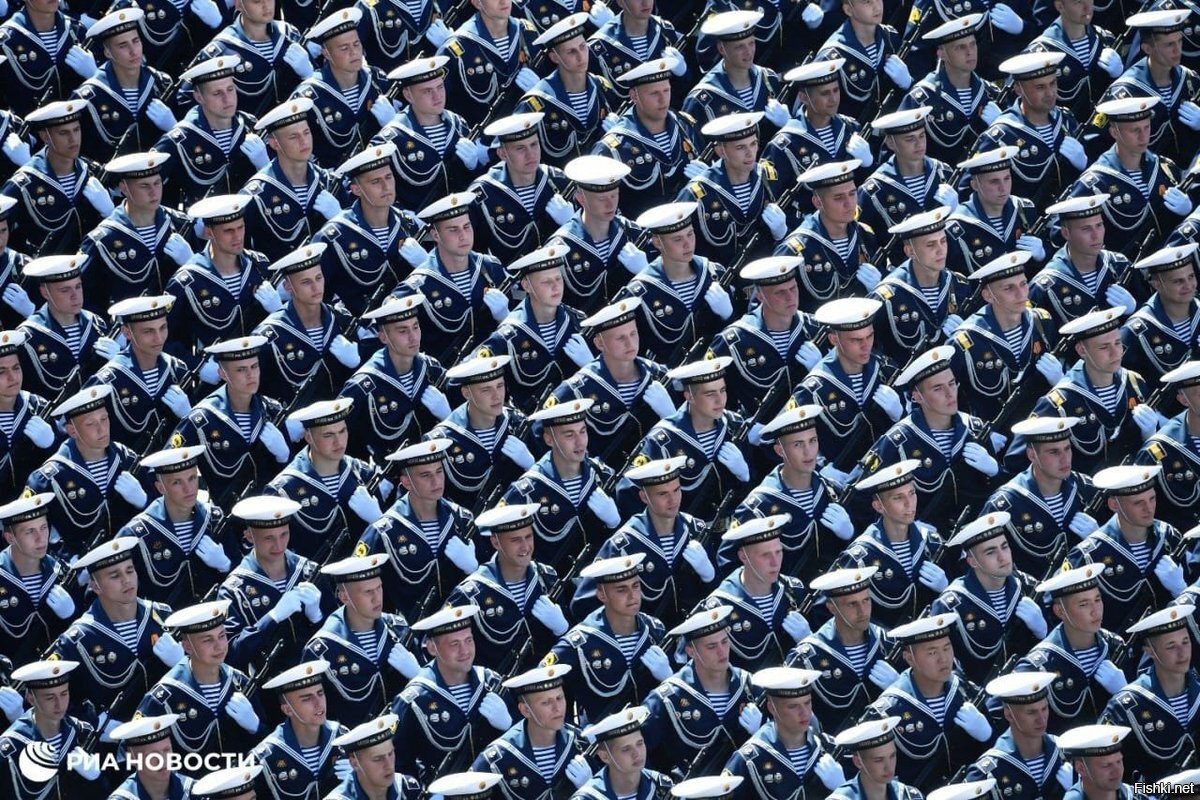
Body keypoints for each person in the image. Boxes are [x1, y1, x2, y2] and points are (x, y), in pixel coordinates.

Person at [856, 346, 1000, 530]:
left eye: (952, 383)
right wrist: (907, 527)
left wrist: (996, 472)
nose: (950, 394)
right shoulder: (898, 441)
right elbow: (863, 497)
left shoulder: (975, 429)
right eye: (938, 389)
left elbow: (997, 494)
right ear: (917, 396)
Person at [49, 536, 178, 740]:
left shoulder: (162, 616)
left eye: (130, 570)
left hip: (168, 736)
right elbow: (52, 700)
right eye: (115, 575)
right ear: (95, 586)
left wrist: (184, 662)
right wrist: (93, 723)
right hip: (113, 746)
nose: (127, 580)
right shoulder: (77, 640)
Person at [858, 613, 992, 790]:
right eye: (932, 652)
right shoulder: (888, 712)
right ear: (909, 658)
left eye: (946, 648)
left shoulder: (964, 691)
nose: (943, 659)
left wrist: (989, 736)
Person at [572, 458, 713, 622]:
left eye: (676, 490)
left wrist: (710, 577)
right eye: (662, 494)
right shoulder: (623, 546)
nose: (673, 500)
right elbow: (583, 605)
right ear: (644, 497)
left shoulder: (696, 531)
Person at [1018, 308, 1155, 475]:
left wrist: (1150, 435)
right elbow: (1021, 461)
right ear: (1082, 350)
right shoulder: (1059, 402)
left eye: (1118, 343)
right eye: (1104, 347)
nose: (1115, 353)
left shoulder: (1134, 384)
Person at [26, 384, 151, 562]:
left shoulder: (126, 459)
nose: (102, 429)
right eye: (91, 424)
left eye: (104, 419)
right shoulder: (50, 477)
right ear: (72, 430)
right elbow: (25, 531)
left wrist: (144, 501)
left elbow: (163, 507)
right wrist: (62, 562)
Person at [136, 600, 265, 772]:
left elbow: (266, 750)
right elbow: (140, 756)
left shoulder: (240, 683)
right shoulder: (165, 697)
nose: (219, 646)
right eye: (207, 640)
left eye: (222, 636)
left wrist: (256, 728)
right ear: (187, 646)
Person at [356, 437, 477, 617]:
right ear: (406, 482)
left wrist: (473, 568)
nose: (436, 481)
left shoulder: (461, 519)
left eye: (439, 471)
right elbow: (358, 584)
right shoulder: (384, 531)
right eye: (425, 475)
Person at [446, 502, 568, 673]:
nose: (525, 547)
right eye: (515, 540)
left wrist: (563, 629)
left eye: (528, 537)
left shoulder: (547, 579)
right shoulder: (471, 594)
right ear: (496, 542)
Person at [391, 604, 509, 780]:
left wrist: (509, 725)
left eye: (468, 640)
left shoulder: (491, 683)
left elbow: (524, 742)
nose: (465, 651)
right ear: (432, 648)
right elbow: (399, 764)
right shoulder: (415, 699)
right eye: (454, 644)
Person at [169, 335, 290, 507]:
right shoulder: (203, 419)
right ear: (222, 373)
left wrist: (284, 456)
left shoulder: (272, 411)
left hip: (270, 512)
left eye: (254, 366)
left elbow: (290, 475)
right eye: (241, 370)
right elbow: (167, 466)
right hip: (227, 514)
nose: (251, 375)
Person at [548, 553, 670, 723]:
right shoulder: (580, 643)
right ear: (602, 594)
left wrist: (669, 679)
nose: (632, 595)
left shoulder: (655, 631)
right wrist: (571, 731)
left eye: (635, 586)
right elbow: (543, 689)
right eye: (621, 590)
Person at [640, 606, 762, 776]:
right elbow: (634, 749)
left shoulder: (750, 685)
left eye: (724, 641)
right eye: (711, 646)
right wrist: (663, 783)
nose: (722, 652)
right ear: (691, 651)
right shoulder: (668, 697)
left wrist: (762, 731)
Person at [303, 554, 420, 727]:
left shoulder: (398, 629)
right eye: (368, 592)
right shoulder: (323, 649)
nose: (377, 598)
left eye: (379, 588)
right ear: (344, 597)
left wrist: (418, 676)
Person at [622, 356, 749, 516]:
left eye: (722, 390)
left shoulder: (734, 425)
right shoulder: (662, 440)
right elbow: (630, 492)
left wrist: (745, 476)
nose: (720, 400)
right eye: (710, 394)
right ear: (689, 396)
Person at [1063, 465, 1185, 631]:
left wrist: (1181, 589)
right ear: (1114, 504)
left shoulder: (1169, 537)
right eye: (1138, 503)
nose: (1149, 509)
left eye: (1152, 499)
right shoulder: (1087, 555)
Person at [930, 512, 1047, 683]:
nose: (1002, 557)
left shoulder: (1027, 587)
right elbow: (943, 664)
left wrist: (1042, 632)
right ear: (972, 561)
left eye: (1005, 547)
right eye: (991, 552)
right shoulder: (951, 605)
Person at [1068, 96, 1192, 258]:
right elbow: (1068, 234)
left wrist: (1188, 209)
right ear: (1114, 132)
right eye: (1135, 130)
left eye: (1146, 127)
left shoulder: (1165, 168)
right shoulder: (1095, 183)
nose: (1143, 136)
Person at [313, 142, 426, 318]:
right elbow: (316, 294)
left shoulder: (406, 224)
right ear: (356, 189)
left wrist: (425, 265)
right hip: (360, 326)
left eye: (388, 177)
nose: (386, 186)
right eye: (375, 181)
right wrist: (344, 322)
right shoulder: (335, 236)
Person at [502, 398, 619, 566]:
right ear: (549, 439)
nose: (580, 442)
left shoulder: (602, 475)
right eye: (569, 435)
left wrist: (615, 523)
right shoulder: (527, 491)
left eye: (583, 431)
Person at [1013, 565, 1129, 735]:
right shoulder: (1038, 666)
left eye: (1098, 600)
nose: (1095, 610)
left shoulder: (1115, 646)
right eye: (1083, 604)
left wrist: (1125, 692)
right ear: (1060, 611)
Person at [266, 398, 386, 559]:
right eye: (328, 435)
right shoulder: (284, 489)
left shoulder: (362, 473)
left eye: (342, 431)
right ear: (308, 437)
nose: (338, 442)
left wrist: (378, 520)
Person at [547, 297, 673, 450]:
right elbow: (543, 435)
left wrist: (671, 418)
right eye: (620, 338)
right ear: (599, 343)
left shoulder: (659, 376)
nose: (630, 343)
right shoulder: (576, 390)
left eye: (633, 334)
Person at [615, 201, 732, 363]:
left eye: (690, 234)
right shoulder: (640, 292)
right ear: (657, 242)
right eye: (677, 239)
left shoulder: (715, 274)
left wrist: (729, 315)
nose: (687, 244)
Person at [476, 245, 589, 414]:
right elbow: (475, 381)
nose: (556, 287)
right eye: (546, 282)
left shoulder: (578, 323)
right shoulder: (508, 336)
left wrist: (590, 365)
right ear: (526, 286)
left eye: (558, 279)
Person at [216, 495, 325, 671]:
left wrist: (317, 618)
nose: (279, 545)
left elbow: (338, 635)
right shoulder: (234, 589)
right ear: (249, 536)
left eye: (284, 534)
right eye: (269, 538)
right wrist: (272, 618)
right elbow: (231, 654)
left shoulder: (309, 572)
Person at [396, 192, 508, 363]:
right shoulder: (418, 285)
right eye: (453, 230)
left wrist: (504, 316)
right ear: (435, 235)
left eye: (467, 226)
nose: (463, 235)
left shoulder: (490, 267)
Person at [950, 251, 1061, 422]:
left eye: (1023, 284)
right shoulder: (966, 342)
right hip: (994, 431)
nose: (1021, 294)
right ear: (988, 295)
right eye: (1009, 288)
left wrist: (1060, 381)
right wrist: (975, 428)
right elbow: (949, 400)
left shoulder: (1041, 322)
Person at [981, 416, 1097, 578]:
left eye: (1067, 448)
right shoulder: (1005, 504)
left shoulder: (1085, 488)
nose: (1064, 459)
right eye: (1054, 452)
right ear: (1032, 455)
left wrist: (1098, 538)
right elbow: (985, 564)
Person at [835, 460, 947, 627]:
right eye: (898, 498)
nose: (909, 503)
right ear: (878, 506)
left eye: (912, 493)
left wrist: (946, 589)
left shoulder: (931, 543)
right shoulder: (861, 556)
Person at [761, 59, 873, 226]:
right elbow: (773, 199)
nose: (833, 98)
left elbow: (861, 186)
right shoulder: (785, 144)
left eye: (836, 90)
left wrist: (869, 164)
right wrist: (787, 228)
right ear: (804, 97)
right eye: (825, 93)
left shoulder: (850, 128)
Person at [78, 152, 194, 312]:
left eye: (157, 183)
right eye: (144, 186)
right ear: (124, 188)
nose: (154, 192)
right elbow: (84, 295)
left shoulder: (180, 225)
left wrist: (192, 264)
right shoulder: (103, 239)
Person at [165, 195, 275, 364]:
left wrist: (278, 310)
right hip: (218, 371)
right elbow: (166, 340)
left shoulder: (259, 266)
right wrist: (198, 366)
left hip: (260, 368)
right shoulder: (188, 281)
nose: (237, 236)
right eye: (228, 231)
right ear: (209, 232)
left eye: (240, 227)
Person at [794, 298, 901, 471]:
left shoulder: (885, 369)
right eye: (856, 340)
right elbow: (790, 440)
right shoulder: (813, 389)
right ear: (833, 339)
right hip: (842, 477)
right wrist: (819, 469)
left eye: (870, 336)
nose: (866, 346)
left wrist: (900, 414)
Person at [339, 297, 447, 466]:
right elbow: (337, 435)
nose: (413, 337)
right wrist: (365, 472)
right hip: (389, 474)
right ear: (383, 337)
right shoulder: (364, 385)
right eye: (402, 331)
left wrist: (448, 416)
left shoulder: (430, 369)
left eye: (415, 327)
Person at [786, 566, 897, 728]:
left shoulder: (888, 643)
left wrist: (898, 688)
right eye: (852, 604)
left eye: (866, 600)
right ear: (831, 607)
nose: (862, 611)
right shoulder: (807, 657)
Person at [119, 445, 231, 606]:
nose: (188, 489)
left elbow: (238, 576)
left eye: (192, 478)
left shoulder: (214, 519)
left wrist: (225, 565)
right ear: (160, 487)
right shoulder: (138, 533)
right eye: (177, 482)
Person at [592, 54, 700, 218]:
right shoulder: (614, 147)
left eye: (666, 90)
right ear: (634, 96)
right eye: (654, 93)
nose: (663, 99)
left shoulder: (686, 126)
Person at [1100, 604, 1199, 783]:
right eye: (1171, 646)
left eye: (1185, 642)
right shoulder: (1126, 707)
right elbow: (1109, 776)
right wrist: (1150, 792)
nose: (1182, 653)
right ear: (1150, 651)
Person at [372, 56, 482, 215]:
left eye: (440, 87)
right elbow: (375, 188)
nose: (437, 96)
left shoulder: (458, 124)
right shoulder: (392, 138)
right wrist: (402, 215)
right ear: (408, 95)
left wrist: (475, 166)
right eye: (427, 91)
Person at [1, 100, 113, 256]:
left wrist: (110, 213)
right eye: (63, 133)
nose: (73, 139)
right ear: (45, 136)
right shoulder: (23, 184)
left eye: (76, 130)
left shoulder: (92, 174)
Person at [699, 514, 811, 670]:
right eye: (765, 555)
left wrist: (808, 640)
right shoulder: (718, 608)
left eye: (778, 552)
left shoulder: (793, 591)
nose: (775, 563)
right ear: (743, 556)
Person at [154, 56, 267, 209]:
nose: (227, 99)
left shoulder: (251, 126)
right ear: (199, 97)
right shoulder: (180, 139)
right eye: (217, 93)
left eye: (230, 89)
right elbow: (149, 186)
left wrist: (265, 167)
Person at [239, 98, 344, 263]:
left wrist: (340, 218)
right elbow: (239, 251)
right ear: (274, 144)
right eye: (294, 137)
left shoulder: (329, 183)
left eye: (306, 133)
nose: (304, 141)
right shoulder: (256, 195)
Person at [973, 52, 1086, 205]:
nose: (1050, 93)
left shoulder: (1066, 121)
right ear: (1018, 89)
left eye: (1053, 83)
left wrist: (1085, 164)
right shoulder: (1002, 135)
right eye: (1040, 87)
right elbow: (975, 188)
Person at [253, 244, 360, 404]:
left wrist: (356, 363)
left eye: (319, 278)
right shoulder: (269, 336)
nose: (316, 287)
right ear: (288, 286)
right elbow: (256, 390)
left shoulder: (341, 320)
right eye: (306, 282)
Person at [1090, 10, 1200, 166]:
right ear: (1147, 48)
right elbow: (1096, 143)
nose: (1177, 50)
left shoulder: (1189, 80)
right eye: (1169, 44)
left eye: (1179, 41)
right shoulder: (1124, 94)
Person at [425, 354, 533, 509]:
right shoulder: (442, 441)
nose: (497, 396)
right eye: (486, 390)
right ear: (466, 393)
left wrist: (531, 465)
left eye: (500, 386)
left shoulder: (517, 424)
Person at [722, 666, 844, 799]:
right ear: (771, 707)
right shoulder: (749, 759)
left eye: (807, 703)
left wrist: (843, 789)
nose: (804, 713)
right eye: (793, 706)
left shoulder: (831, 749)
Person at [87, 295, 191, 451]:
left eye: (163, 328)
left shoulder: (177, 370)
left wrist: (188, 416)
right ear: (127, 332)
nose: (158, 338)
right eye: (148, 331)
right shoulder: (107, 380)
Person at [472, 664, 593, 797]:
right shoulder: (499, 756)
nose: (557, 708)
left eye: (559, 698)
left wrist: (590, 789)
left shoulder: (580, 744)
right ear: (525, 710)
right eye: (546, 702)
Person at [775, 160, 879, 314]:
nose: (849, 203)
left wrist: (878, 288)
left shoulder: (865, 235)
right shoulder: (796, 249)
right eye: (839, 198)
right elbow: (769, 303)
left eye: (852, 193)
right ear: (818, 202)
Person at [292, 8, 392, 168]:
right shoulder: (309, 96)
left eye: (356, 44)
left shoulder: (377, 80)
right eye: (344, 48)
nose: (354, 52)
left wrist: (392, 124)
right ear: (327, 53)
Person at [70, 10, 175, 162]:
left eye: (136, 41)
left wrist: (174, 127)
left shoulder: (161, 83)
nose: (133, 51)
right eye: (123, 45)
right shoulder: (88, 98)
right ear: (108, 52)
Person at [857, 107, 957, 266]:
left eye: (922, 136)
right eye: (910, 139)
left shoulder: (943, 173)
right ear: (891, 142)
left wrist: (957, 211)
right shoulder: (874, 190)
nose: (919, 144)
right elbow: (862, 239)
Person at [518, 14, 621, 167]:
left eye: (583, 47)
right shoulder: (537, 102)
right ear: (554, 57)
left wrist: (618, 131)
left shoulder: (602, 88)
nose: (581, 56)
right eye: (571, 52)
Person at [871, 207, 970, 364]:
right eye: (931, 245)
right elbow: (869, 347)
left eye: (943, 241)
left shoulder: (959, 285)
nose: (940, 250)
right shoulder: (889, 296)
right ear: (910, 251)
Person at [900, 14, 1000, 166]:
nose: (970, 52)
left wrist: (1000, 123)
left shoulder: (991, 94)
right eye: (961, 47)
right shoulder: (923, 98)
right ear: (941, 53)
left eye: (973, 44)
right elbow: (901, 151)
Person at [181, 0, 309, 117]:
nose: (266, 6)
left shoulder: (289, 34)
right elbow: (185, 97)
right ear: (239, 4)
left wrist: (309, 74)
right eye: (257, 1)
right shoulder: (222, 49)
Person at [1029, 195, 1136, 329]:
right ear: (1066, 233)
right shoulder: (1044, 286)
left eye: (1099, 225)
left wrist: (1134, 310)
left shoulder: (1120, 265)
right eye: (1086, 229)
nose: (1096, 235)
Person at [0, 659, 101, 799]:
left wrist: (96, 779)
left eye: (64, 694)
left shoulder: (83, 733)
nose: (59, 704)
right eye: (49, 698)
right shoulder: (11, 748)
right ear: (31, 698)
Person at [17, 253, 110, 402]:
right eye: (65, 290)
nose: (75, 295)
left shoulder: (96, 325)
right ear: (45, 292)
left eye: (78, 286)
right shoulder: (28, 337)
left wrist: (117, 360)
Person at [252, 659, 348, 800]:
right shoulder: (266, 756)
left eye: (320, 693)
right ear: (287, 709)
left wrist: (360, 779)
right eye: (307, 698)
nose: (318, 703)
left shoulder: (343, 738)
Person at [966, 671, 1072, 798]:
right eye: (1031, 712)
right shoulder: (988, 772)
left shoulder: (1065, 753)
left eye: (1044, 709)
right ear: (1009, 714)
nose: (1041, 719)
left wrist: (1080, 791)